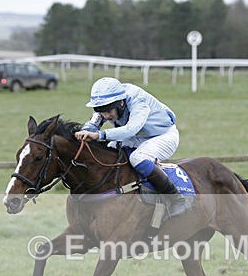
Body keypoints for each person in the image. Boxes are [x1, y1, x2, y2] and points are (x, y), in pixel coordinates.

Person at [74, 77, 188, 217]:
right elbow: (92, 125)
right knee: (108, 151)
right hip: (136, 137)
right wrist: (82, 133)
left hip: (163, 136)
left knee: (137, 157)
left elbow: (131, 129)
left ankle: (176, 199)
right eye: (101, 111)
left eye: (109, 110)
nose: (106, 115)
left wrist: (99, 135)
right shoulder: (106, 102)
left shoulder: (137, 100)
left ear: (121, 103)